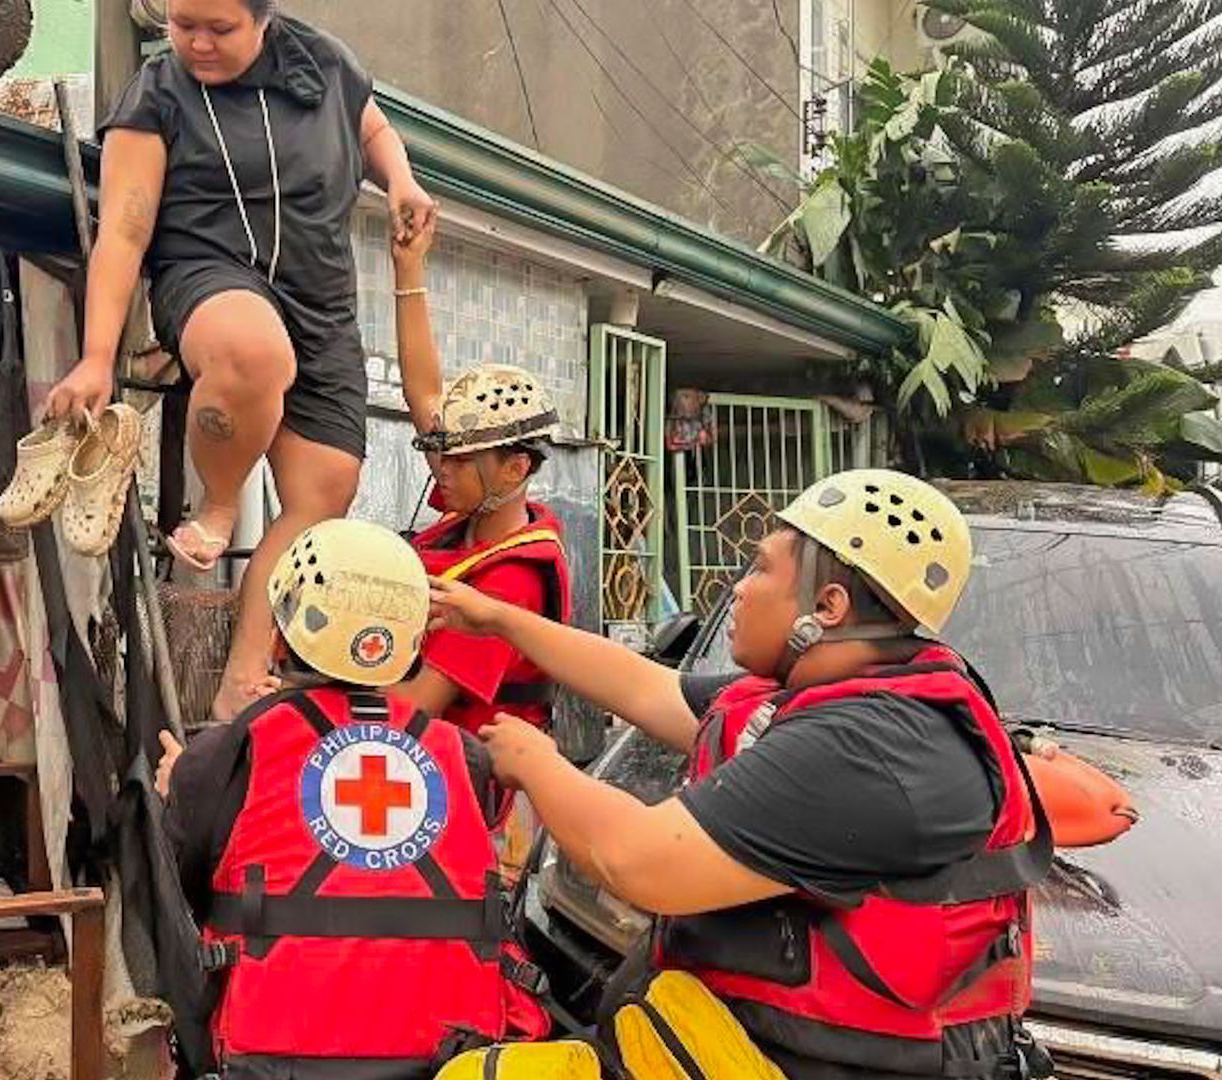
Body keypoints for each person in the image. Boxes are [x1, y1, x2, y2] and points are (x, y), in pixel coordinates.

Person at [432, 470, 1053, 1080]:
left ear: (827, 607)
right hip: (751, 1043)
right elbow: (650, 690)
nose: (739, 590)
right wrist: (499, 619)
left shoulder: (870, 747)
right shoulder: (833, 693)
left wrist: (537, 765)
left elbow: (638, 861)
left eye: (760, 568)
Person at [41, 0, 438, 721]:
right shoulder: (157, 95)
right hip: (209, 272)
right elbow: (126, 229)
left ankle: (241, 682)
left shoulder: (324, 63)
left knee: (325, 492)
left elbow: (371, 125)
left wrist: (401, 180)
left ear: (265, 19)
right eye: (181, 23)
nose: (196, 43)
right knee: (252, 353)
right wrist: (97, 357)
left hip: (319, 296)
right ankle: (220, 500)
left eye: (219, 29)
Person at [156, 518, 547, 1080]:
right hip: (451, 1056)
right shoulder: (464, 756)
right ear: (411, 644)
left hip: (270, 1055)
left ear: (281, 637)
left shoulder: (229, 752)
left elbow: (186, 890)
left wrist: (181, 788)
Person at [384, 218, 570, 738]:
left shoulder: (511, 582)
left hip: (476, 791)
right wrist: (409, 268)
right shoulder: (474, 502)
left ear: (516, 468)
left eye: (461, 461)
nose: (443, 468)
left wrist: (304, 700)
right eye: (443, 453)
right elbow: (423, 390)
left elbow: (415, 708)